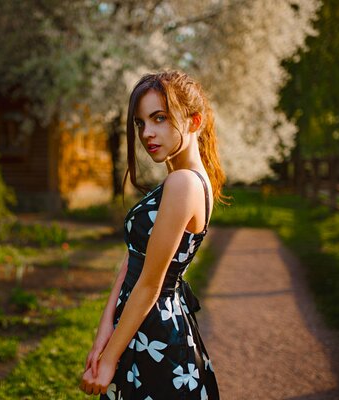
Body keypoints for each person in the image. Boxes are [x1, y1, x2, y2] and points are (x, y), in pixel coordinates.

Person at [79, 70, 227, 399]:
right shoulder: (180, 180)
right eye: (141, 123)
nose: (148, 133)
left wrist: (109, 359)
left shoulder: (184, 184)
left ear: (194, 121)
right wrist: (104, 335)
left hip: (156, 338)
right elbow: (132, 262)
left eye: (159, 118)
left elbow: (150, 284)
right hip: (137, 326)